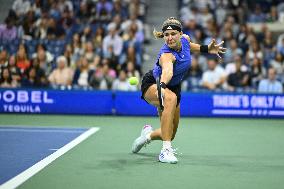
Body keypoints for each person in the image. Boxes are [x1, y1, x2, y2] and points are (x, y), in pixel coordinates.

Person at [131, 17, 226, 164]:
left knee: (169, 132)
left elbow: (190, 46)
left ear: (180, 34)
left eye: (173, 34)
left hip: (174, 87)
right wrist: (162, 86)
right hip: (154, 83)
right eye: (166, 35)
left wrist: (207, 48)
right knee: (170, 99)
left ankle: (147, 136)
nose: (169, 38)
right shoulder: (166, 55)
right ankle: (165, 151)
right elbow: (167, 71)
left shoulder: (185, 41)